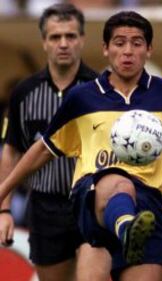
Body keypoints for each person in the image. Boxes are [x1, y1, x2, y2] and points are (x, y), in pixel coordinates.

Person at [0, 10, 162, 281]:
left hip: (148, 205)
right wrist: (3, 194)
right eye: (120, 43)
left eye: (137, 43)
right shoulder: (82, 98)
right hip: (89, 200)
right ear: (106, 49)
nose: (128, 51)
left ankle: (130, 229)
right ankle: (124, 227)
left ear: (149, 49)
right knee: (115, 181)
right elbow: (42, 148)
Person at [0, 3, 111, 281]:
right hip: (44, 208)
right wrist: (4, 208)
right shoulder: (23, 93)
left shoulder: (102, 89)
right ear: (44, 42)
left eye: (71, 36)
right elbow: (11, 151)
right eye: (55, 37)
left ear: (82, 40)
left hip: (90, 203)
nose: (64, 43)